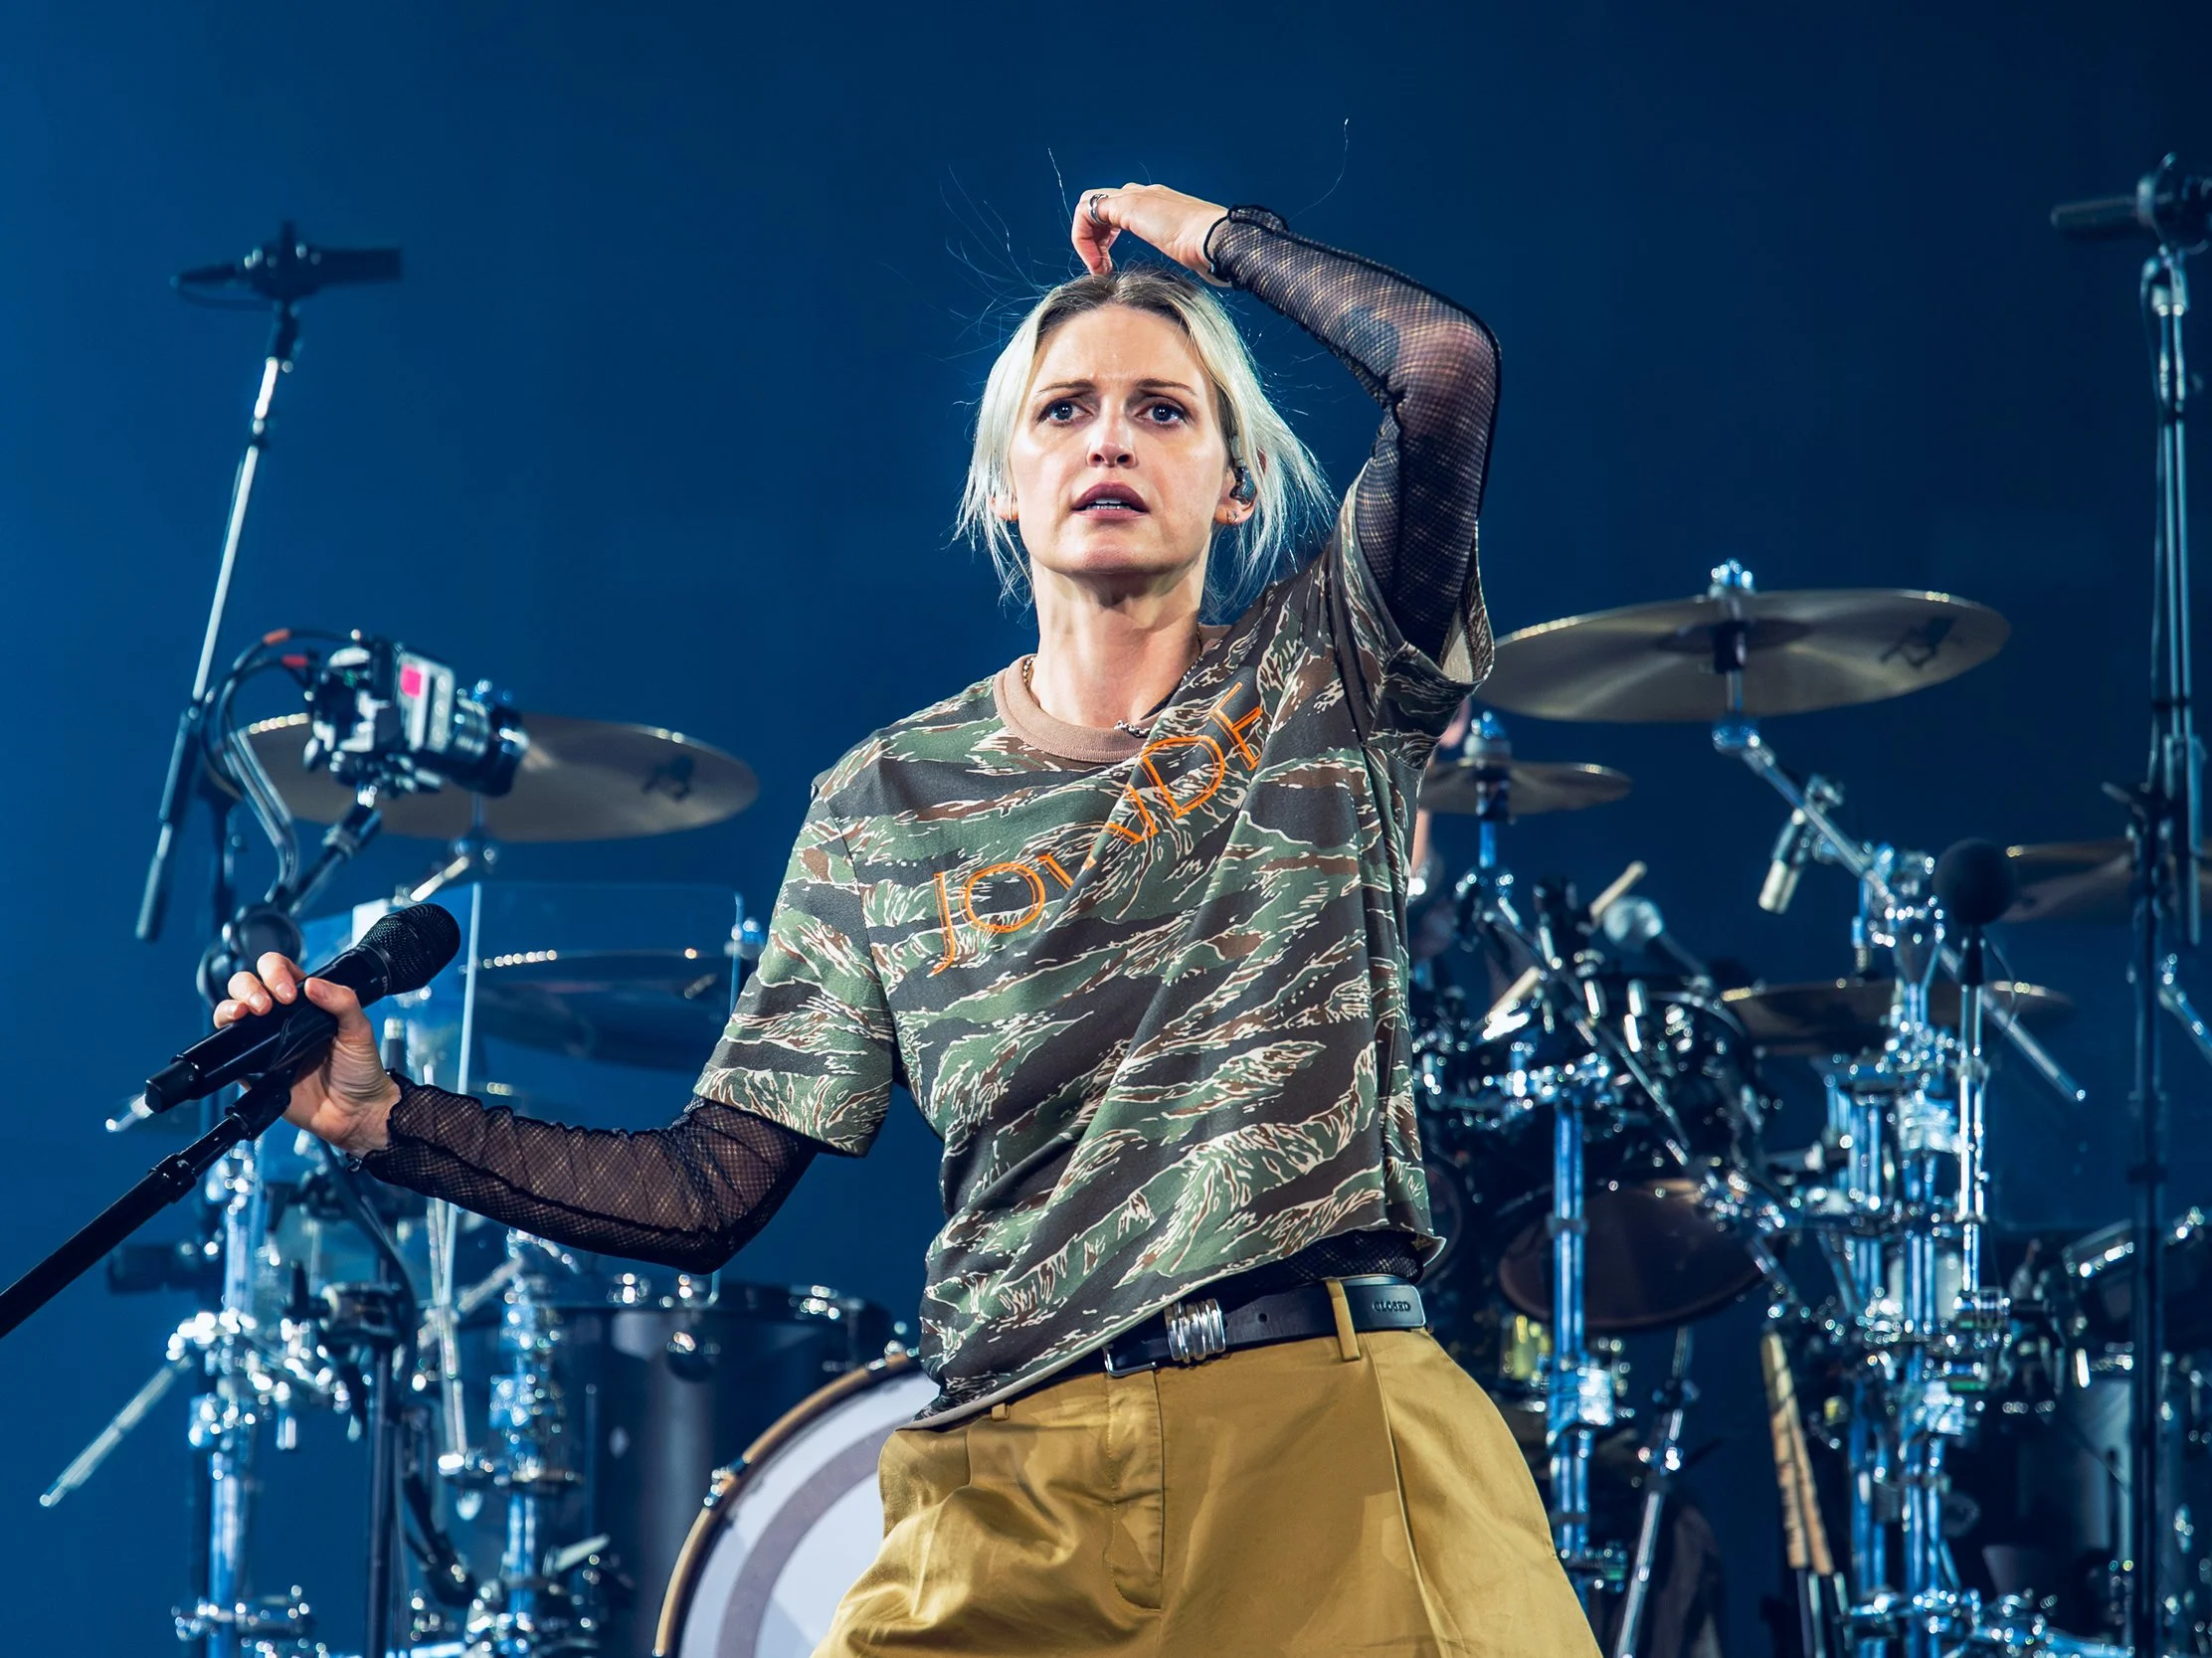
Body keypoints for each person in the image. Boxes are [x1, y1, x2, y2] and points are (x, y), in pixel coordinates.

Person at [219, 182, 1599, 1657]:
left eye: (1164, 410)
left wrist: (1187, 229)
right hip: (1014, 1485)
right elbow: (706, 1189)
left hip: (1322, 1446)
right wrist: (386, 1121)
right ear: (1003, 483)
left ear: (1238, 484)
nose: (1111, 439)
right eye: (1063, 411)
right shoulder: (885, 801)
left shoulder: (1328, 664)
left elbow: (1442, 365)